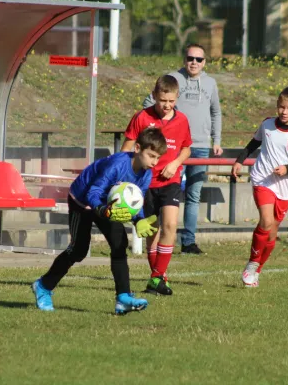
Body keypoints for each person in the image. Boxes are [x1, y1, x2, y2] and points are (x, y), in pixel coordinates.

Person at [32, 127, 167, 314]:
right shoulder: (117, 165)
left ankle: (123, 298)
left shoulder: (146, 174)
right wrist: (103, 210)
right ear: (137, 148)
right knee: (78, 250)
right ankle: (43, 286)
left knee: (119, 243)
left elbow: (136, 201)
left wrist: (139, 220)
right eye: (151, 156)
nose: (154, 162)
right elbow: (93, 192)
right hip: (82, 200)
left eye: (158, 158)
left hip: (106, 205)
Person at [143, 43, 222, 255]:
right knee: (164, 192)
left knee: (194, 195)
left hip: (200, 146)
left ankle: (188, 241)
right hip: (174, 148)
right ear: (184, 59)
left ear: (204, 62)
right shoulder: (173, 78)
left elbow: (216, 112)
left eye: (198, 59)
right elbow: (148, 104)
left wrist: (216, 139)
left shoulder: (211, 83)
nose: (194, 62)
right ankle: (156, 239)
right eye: (190, 58)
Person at [231, 86, 288, 287]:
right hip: (262, 179)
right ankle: (251, 264)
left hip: (284, 185)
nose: (284, 112)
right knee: (266, 222)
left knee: (272, 232)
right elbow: (253, 144)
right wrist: (239, 161)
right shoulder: (267, 124)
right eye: (281, 107)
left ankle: (257, 270)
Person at [122, 75, 192, 296]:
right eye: (163, 100)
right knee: (152, 232)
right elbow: (127, 147)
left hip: (170, 181)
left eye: (171, 101)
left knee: (170, 225)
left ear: (177, 97)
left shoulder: (182, 120)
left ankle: (156, 277)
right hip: (145, 183)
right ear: (154, 96)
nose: (167, 105)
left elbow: (186, 148)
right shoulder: (142, 117)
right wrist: (125, 174)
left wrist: (175, 163)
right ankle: (159, 279)